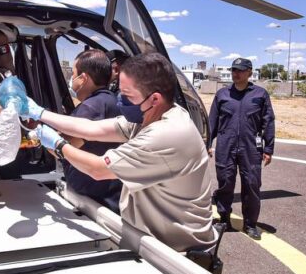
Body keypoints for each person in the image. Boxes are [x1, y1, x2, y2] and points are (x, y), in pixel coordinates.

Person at [20, 52, 217, 253]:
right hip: (156, 242)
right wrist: (40, 113)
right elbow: (92, 129)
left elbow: (98, 169)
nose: (120, 101)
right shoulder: (152, 115)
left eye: (128, 96)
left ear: (154, 98)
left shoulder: (167, 133)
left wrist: (58, 144)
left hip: (178, 254)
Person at [208, 57, 275, 240]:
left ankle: (250, 224)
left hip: (251, 148)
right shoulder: (222, 94)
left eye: (240, 70)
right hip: (225, 145)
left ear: (250, 72)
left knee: (252, 185)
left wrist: (268, 149)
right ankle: (224, 219)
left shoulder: (260, 95)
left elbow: (268, 122)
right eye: (233, 70)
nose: (236, 73)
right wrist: (207, 143)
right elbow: (212, 121)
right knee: (225, 183)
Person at [61, 49, 122, 211]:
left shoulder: (91, 108)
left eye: (73, 74)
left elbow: (66, 147)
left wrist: (38, 136)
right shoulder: (110, 100)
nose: (71, 79)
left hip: (94, 200)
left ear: (83, 78)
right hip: (111, 194)